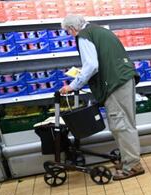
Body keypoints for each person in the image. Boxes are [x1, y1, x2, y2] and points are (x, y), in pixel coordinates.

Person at [59, 15, 144, 180]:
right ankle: (129, 160)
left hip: (114, 83)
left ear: (72, 29)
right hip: (123, 79)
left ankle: (132, 165)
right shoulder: (99, 30)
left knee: (120, 124)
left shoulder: (84, 36)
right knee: (126, 122)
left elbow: (91, 65)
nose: (70, 35)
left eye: (68, 32)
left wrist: (73, 85)